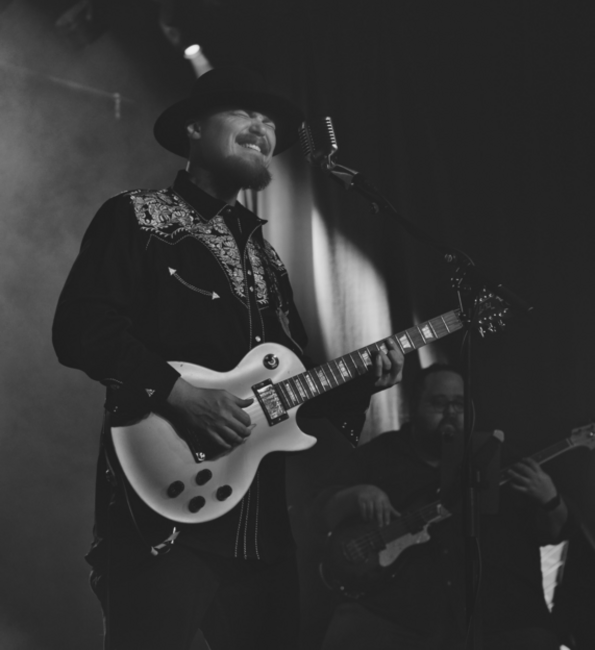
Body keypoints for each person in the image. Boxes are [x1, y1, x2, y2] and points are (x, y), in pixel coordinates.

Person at [52, 66, 404, 650]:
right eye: (245, 113)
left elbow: (292, 389)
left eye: (269, 123)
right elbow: (81, 328)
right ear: (193, 128)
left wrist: (361, 381)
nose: (262, 128)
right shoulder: (137, 217)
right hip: (158, 514)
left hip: (259, 528)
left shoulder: (269, 261)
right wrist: (179, 394)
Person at [315, 362, 569, 650]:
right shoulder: (379, 455)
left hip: (494, 621)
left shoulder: (496, 457)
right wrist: (354, 494)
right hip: (397, 617)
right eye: (439, 403)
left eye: (459, 404)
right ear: (414, 406)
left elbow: (556, 533)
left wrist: (551, 500)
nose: (450, 413)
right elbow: (315, 513)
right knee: (348, 631)